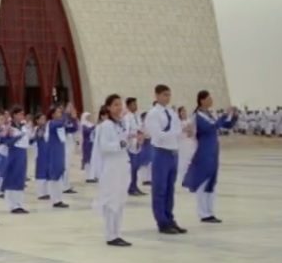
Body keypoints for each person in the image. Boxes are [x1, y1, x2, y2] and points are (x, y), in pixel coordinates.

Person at [183, 91, 237, 223]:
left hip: (213, 151)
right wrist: (224, 115)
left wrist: (233, 116)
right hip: (203, 151)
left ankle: (210, 211)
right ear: (201, 100)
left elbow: (225, 125)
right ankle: (203, 213)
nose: (211, 100)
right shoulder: (197, 116)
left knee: (212, 182)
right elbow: (210, 128)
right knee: (203, 181)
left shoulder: (209, 114)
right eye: (208, 98)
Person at [143, 84, 187, 235]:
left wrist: (176, 133)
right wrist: (175, 133)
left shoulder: (171, 112)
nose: (167, 98)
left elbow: (179, 131)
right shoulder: (153, 114)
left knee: (170, 189)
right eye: (164, 95)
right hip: (160, 152)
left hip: (173, 153)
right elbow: (158, 135)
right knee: (160, 189)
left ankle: (170, 218)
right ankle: (161, 221)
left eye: (169, 95)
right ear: (157, 95)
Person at [92, 94, 134, 246]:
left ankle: (117, 232)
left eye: (120, 104)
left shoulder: (120, 124)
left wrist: (133, 141)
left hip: (121, 165)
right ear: (108, 107)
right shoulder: (106, 126)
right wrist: (122, 144)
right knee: (111, 200)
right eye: (115, 105)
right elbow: (105, 147)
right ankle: (110, 234)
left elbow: (126, 145)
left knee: (120, 199)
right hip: (111, 168)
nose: (118, 107)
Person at [1, 106, 30, 214]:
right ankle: (12, 205)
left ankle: (19, 203)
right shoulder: (9, 127)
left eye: (22, 114)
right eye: (20, 114)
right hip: (14, 152)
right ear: (14, 115)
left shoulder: (23, 126)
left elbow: (28, 139)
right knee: (12, 177)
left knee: (20, 178)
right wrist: (17, 137)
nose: (22, 116)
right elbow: (6, 142)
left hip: (22, 152)